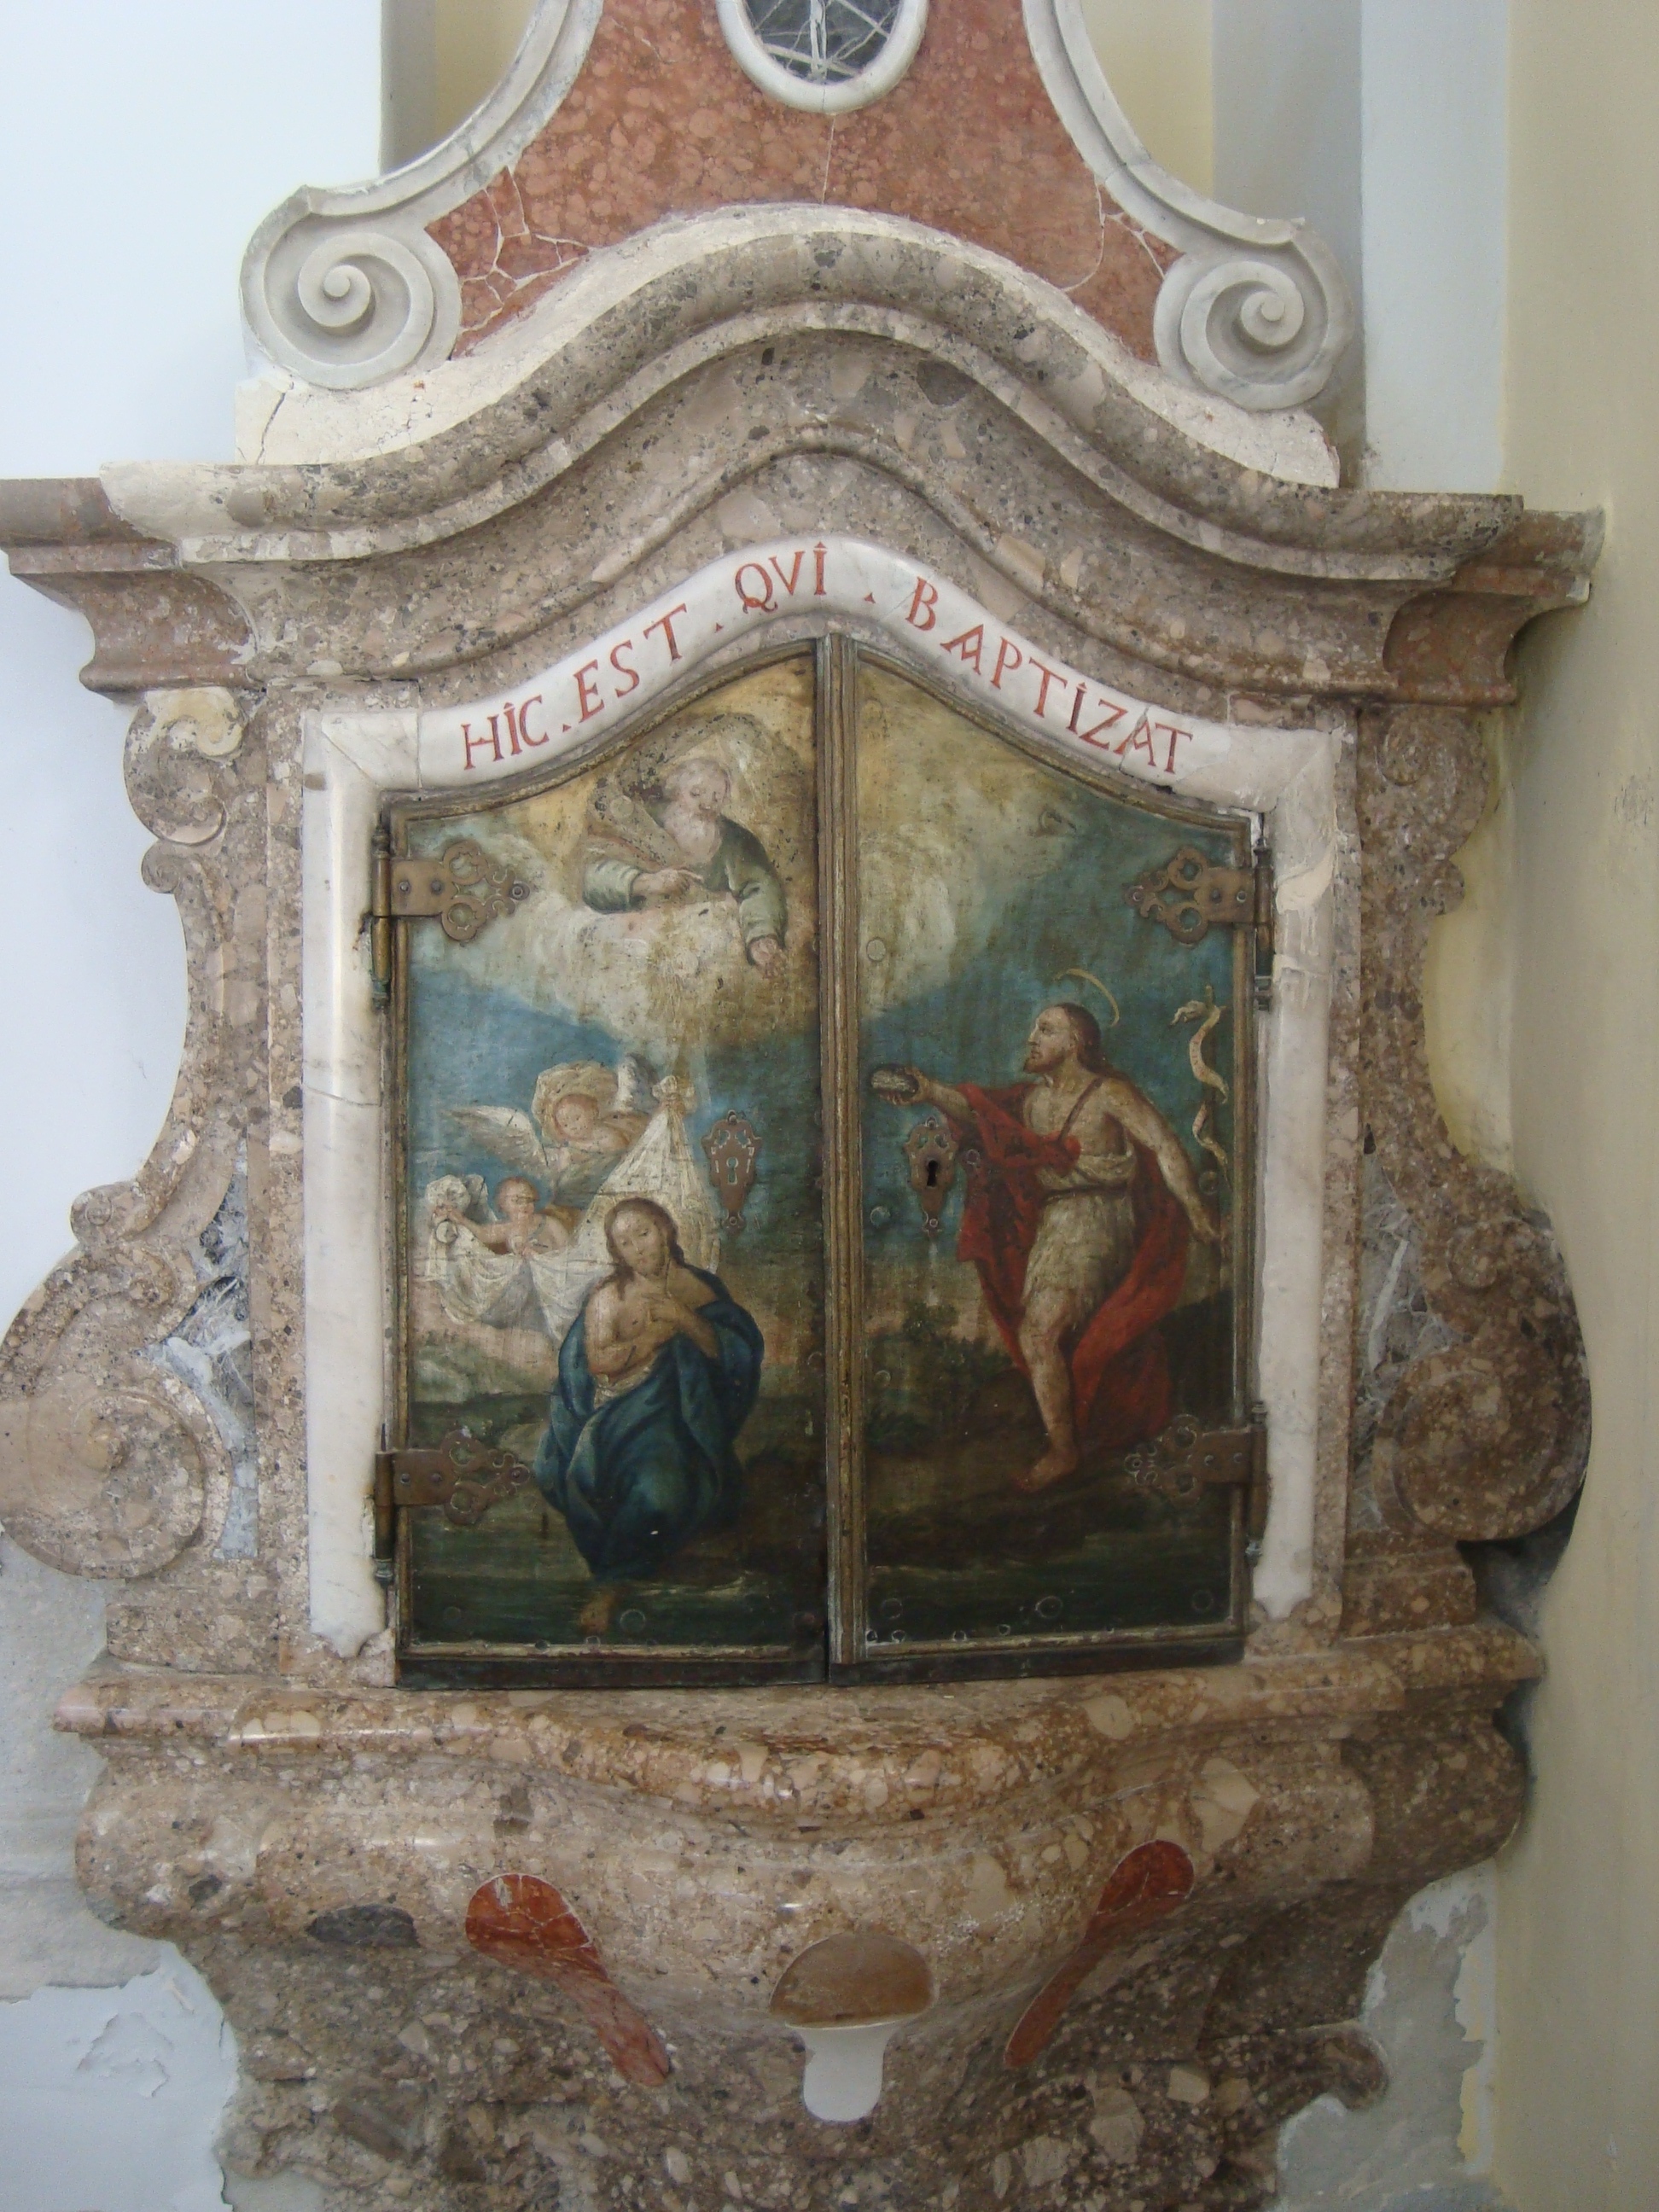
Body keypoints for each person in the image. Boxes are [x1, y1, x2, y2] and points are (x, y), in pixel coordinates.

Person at [883, 1003, 1222, 1492]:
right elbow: (980, 1113)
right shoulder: (1033, 1101)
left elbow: (1164, 1146)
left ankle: (1063, 1452)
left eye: (1046, 1030)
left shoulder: (1108, 1093)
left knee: (1040, 1333)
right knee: (1050, 1336)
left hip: (1098, 1218)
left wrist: (1195, 1211)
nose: (1032, 1037)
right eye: (1035, 1029)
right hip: (1053, 1224)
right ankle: (1079, 1437)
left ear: (1075, 1042)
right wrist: (930, 1090)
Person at [533, 1197, 764, 1632]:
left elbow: (731, 1356)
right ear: (616, 1252)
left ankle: (621, 1576)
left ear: (666, 1230)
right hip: (618, 1415)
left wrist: (684, 1318)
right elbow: (597, 1362)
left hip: (681, 1417)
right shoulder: (610, 1296)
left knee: (665, 1490)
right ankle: (610, 1585)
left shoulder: (700, 1289)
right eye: (625, 1242)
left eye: (644, 1233)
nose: (638, 1247)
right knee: (640, 1487)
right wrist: (653, 1340)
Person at [582, 755, 787, 978]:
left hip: (699, 948)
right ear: (675, 792)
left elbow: (760, 886)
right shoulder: (641, 823)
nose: (706, 806)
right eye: (696, 793)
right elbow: (593, 877)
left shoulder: (735, 842)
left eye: (716, 798)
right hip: (634, 948)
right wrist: (647, 883)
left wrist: (761, 936)